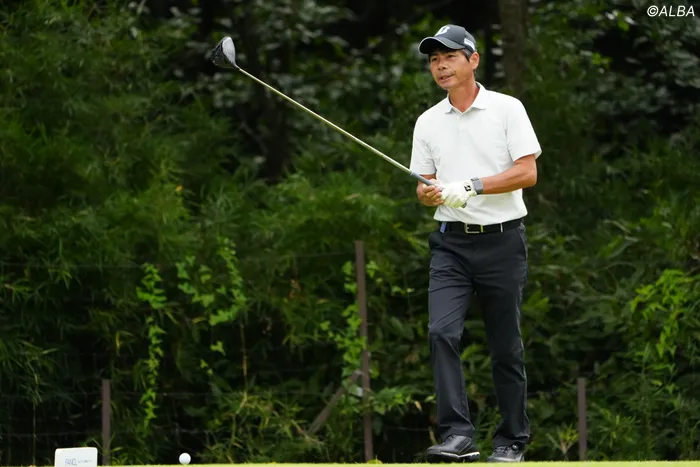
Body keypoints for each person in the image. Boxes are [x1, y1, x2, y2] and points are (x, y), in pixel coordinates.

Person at [409, 24, 542, 463]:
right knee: (441, 332)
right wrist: (429, 193)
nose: (440, 65)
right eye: (434, 59)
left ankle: (511, 439)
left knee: (505, 346)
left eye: (449, 56)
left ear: (473, 60)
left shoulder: (507, 109)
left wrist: (472, 185)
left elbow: (527, 172)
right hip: (450, 244)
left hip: (503, 242)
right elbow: (424, 185)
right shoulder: (428, 122)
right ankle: (458, 435)